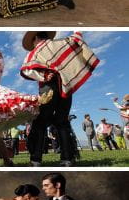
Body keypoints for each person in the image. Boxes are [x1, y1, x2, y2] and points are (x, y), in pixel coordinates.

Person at [21, 31, 99, 166]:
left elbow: (26, 69)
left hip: (48, 88)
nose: (33, 45)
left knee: (40, 122)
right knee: (62, 121)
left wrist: (44, 76)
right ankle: (67, 158)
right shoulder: (62, 42)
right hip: (66, 86)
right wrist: (78, 31)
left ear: (36, 38)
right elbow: (77, 38)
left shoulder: (36, 52)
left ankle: (36, 160)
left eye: (33, 42)